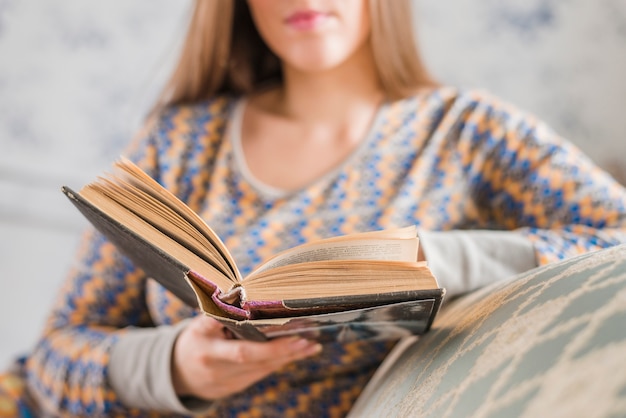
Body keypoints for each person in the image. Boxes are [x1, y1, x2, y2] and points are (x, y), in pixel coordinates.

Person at [2, 0, 626, 416]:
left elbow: (616, 233)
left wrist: (440, 258)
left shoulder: (465, 131)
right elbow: (56, 351)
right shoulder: (180, 139)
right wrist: (172, 367)